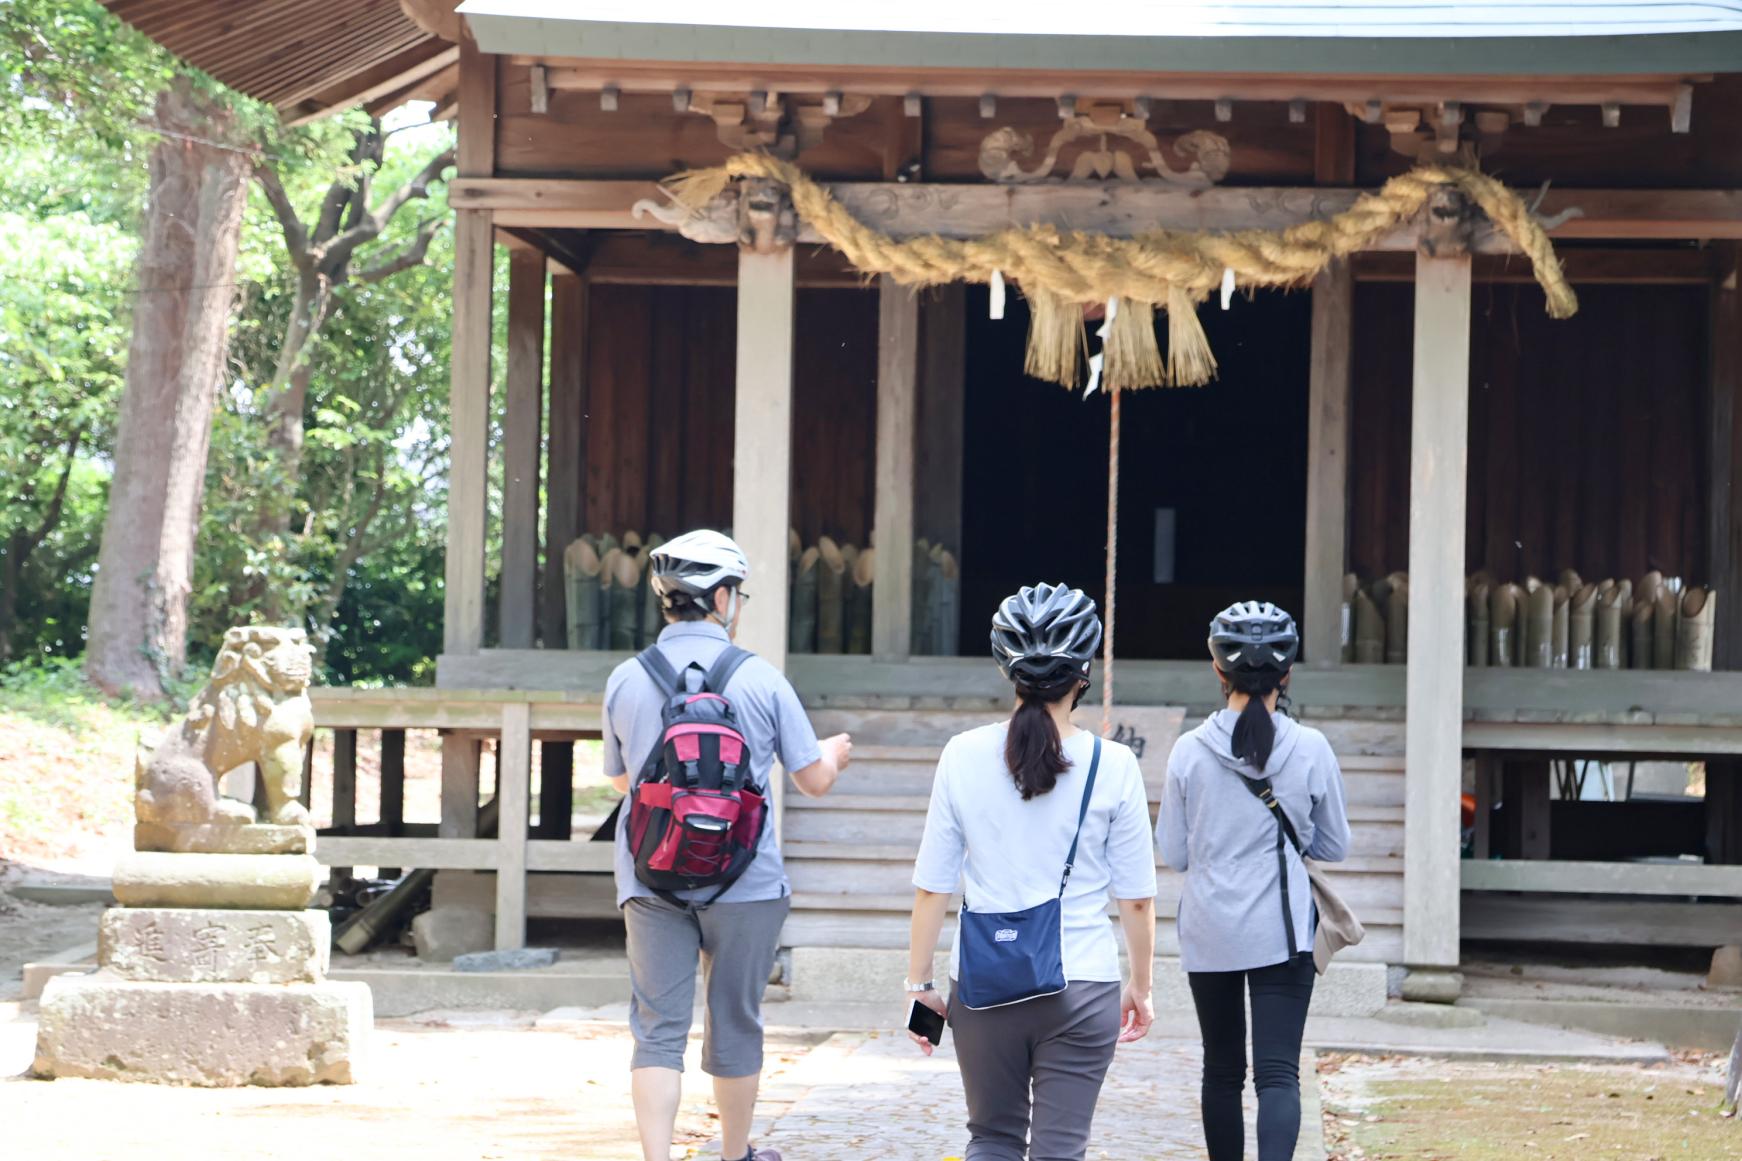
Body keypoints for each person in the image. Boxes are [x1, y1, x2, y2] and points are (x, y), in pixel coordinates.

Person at [603, 529, 853, 1161]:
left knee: (657, 1029)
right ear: (720, 598)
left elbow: (623, 782)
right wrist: (831, 754)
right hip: (746, 881)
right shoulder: (762, 679)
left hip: (651, 877)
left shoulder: (626, 680)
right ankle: (735, 1154)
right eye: (736, 593)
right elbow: (813, 780)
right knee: (735, 1020)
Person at [906, 583, 1157, 1161]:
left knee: (990, 1140)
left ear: (1006, 670)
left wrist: (920, 988)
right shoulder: (1114, 764)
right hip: (1084, 981)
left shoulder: (962, 754)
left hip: (984, 983)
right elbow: (1137, 899)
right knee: (1061, 1150)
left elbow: (933, 887)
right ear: (1084, 671)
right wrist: (1139, 986)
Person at [1157, 601, 1350, 1161]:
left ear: (1218, 671)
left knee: (1221, 1070)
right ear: (1286, 675)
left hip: (1210, 927)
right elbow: (1334, 844)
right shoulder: (1311, 748)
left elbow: (1173, 853)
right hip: (1285, 932)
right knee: (1278, 1075)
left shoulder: (1189, 752)